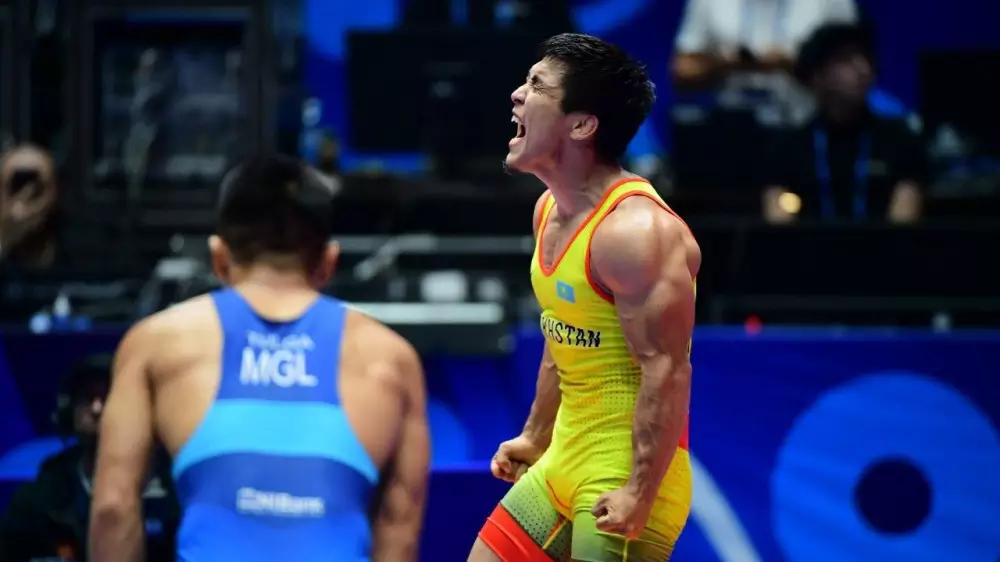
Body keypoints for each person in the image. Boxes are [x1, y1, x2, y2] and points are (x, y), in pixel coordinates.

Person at [87, 155, 430, 562]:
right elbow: (399, 528)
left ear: (218, 257)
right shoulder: (390, 358)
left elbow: (113, 508)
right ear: (328, 263)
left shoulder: (158, 342)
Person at [470, 33, 700, 561]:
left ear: (581, 125)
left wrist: (639, 491)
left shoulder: (636, 233)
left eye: (537, 86)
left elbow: (667, 372)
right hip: (562, 460)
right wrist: (535, 435)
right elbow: (564, 330)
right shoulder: (549, 210)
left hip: (622, 476)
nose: (517, 95)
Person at [0, 354, 179, 562]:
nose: (96, 408)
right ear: (68, 411)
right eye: (87, 398)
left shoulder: (178, 493)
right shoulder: (41, 499)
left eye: (109, 397)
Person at [761, 22, 926, 224]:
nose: (862, 69)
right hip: (809, 245)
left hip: (880, 244)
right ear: (816, 75)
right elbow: (778, 226)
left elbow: (904, 226)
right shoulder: (788, 148)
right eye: (845, 60)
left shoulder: (900, 141)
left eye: (866, 59)